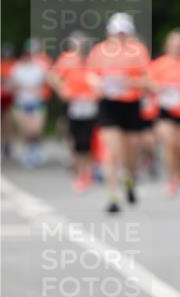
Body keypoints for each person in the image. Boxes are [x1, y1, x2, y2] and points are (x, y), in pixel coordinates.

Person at [87, 12, 150, 212]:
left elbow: (147, 80)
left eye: (124, 33)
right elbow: (90, 75)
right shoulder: (99, 51)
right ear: (109, 33)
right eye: (117, 33)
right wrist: (98, 84)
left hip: (130, 104)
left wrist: (128, 82)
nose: (120, 36)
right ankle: (113, 197)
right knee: (112, 152)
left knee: (130, 151)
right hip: (108, 104)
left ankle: (129, 178)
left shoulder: (138, 51)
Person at [147, 29, 180, 196]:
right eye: (174, 43)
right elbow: (149, 84)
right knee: (170, 144)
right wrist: (160, 88)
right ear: (167, 45)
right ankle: (172, 179)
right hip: (166, 109)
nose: (177, 47)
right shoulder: (159, 64)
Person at [48, 32, 97, 191]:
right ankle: (78, 170)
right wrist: (62, 89)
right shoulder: (67, 59)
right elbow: (52, 76)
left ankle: (87, 171)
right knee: (75, 137)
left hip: (91, 104)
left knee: (89, 138)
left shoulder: (94, 60)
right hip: (73, 104)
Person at [9, 39, 51, 167]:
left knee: (36, 129)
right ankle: (28, 152)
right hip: (22, 102)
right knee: (25, 129)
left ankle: (36, 149)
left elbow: (47, 79)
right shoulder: (17, 67)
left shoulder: (40, 66)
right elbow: (14, 84)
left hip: (36, 101)